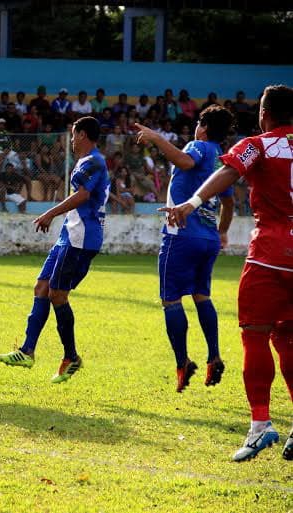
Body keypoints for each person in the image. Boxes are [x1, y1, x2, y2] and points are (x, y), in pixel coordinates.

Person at [159, 85, 293, 462]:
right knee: (288, 339)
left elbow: (229, 171)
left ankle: (260, 426)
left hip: (270, 255)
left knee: (256, 335)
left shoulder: (259, 144)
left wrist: (192, 202)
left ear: (264, 114)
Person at [0, 117, 110, 383]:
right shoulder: (86, 162)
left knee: (57, 294)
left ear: (82, 134)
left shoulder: (94, 161)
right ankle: (27, 351)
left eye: (73, 134)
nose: (70, 140)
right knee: (41, 288)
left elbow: (83, 195)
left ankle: (71, 357)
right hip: (69, 235)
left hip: (82, 239)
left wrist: (50, 212)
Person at [136, 105, 236, 393]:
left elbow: (184, 161)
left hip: (181, 234)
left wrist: (156, 138)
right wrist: (223, 232)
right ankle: (214, 355)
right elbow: (228, 203)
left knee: (171, 301)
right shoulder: (222, 159)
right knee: (202, 296)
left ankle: (183, 362)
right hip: (208, 239)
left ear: (202, 127)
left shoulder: (199, 146)